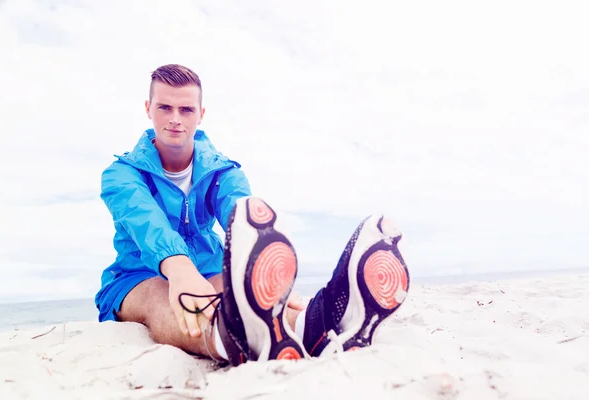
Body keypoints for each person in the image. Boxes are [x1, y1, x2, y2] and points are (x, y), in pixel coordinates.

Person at [95, 63, 411, 366]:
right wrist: (179, 269)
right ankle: (227, 339)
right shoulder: (120, 175)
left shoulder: (223, 170)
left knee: (242, 297)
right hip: (136, 277)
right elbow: (145, 221)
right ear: (148, 108)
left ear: (200, 115)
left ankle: (316, 325)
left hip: (207, 267)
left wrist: (262, 276)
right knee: (161, 295)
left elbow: (241, 216)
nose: (175, 118)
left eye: (186, 109)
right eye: (165, 107)